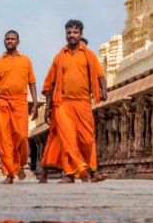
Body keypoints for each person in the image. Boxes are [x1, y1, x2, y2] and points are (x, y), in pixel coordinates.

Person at [42, 20, 106, 184]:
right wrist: (47, 107)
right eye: (69, 32)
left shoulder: (89, 55)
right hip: (62, 104)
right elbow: (50, 84)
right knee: (67, 139)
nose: (72, 35)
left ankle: (90, 169)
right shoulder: (59, 56)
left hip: (83, 102)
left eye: (75, 33)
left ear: (81, 34)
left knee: (87, 138)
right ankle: (70, 174)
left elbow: (100, 75)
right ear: (66, 34)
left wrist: (104, 90)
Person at [0, 31, 38, 184]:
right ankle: (9, 173)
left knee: (22, 137)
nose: (10, 41)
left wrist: (35, 103)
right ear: (4, 41)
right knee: (5, 139)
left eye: (13, 39)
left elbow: (32, 82)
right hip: (2, 102)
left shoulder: (26, 60)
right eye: (7, 39)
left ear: (18, 41)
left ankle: (20, 163)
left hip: (20, 103)